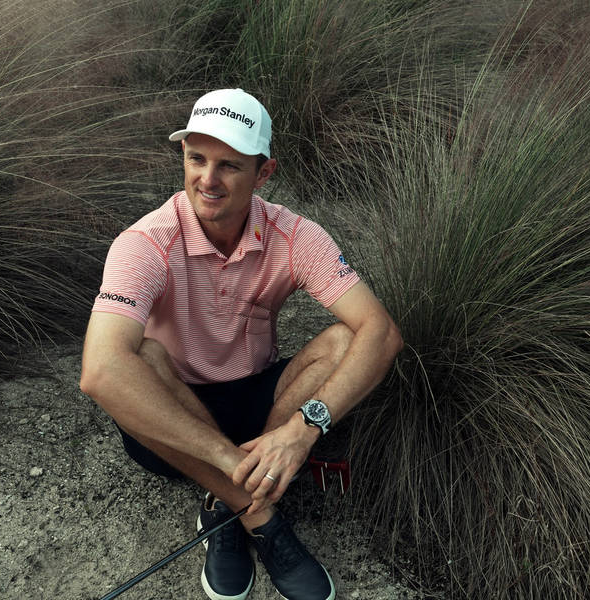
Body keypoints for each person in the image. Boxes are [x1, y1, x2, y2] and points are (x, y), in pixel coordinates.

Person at [80, 88, 403, 600]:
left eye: (229, 165)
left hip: (262, 406)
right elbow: (99, 371)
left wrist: (301, 430)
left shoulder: (295, 236)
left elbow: (380, 332)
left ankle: (240, 489)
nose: (206, 180)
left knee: (345, 339)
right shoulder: (144, 242)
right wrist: (231, 464)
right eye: (196, 159)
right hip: (174, 414)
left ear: (264, 173)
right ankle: (253, 511)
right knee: (139, 356)